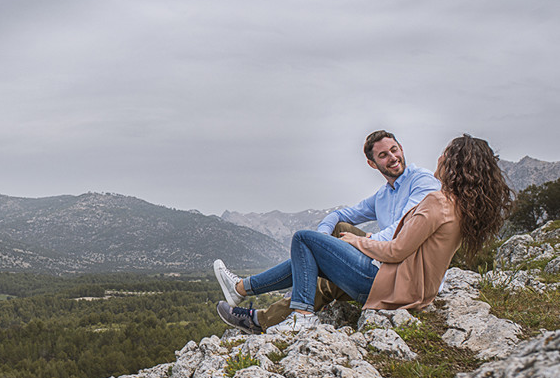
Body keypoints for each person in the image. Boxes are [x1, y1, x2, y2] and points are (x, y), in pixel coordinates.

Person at [212, 134, 512, 330]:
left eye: (445, 155)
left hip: (390, 286)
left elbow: (397, 248)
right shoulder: (460, 207)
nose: (440, 159)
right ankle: (243, 290)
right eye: (384, 154)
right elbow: (352, 218)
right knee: (320, 244)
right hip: (412, 289)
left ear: (453, 164)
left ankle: (298, 315)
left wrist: (359, 241)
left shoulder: (436, 200)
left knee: (304, 239)